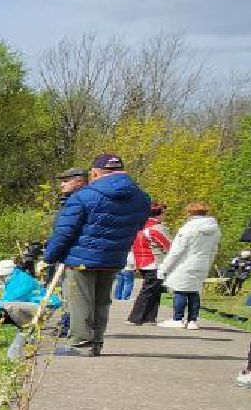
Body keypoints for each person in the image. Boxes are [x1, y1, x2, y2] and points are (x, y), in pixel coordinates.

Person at [42, 153, 151, 357]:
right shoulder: (141, 197)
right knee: (101, 302)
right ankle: (96, 342)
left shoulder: (84, 196)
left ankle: (81, 344)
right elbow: (139, 224)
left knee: (80, 301)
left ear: (94, 172)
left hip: (80, 257)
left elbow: (65, 231)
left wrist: (50, 256)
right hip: (113, 257)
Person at [157, 202, 222, 331]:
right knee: (194, 291)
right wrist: (208, 263)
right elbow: (214, 249)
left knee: (180, 290)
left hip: (185, 263)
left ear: (190, 213)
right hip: (202, 263)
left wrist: (164, 268)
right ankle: (192, 320)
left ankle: (177, 319)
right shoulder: (215, 229)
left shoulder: (188, 228)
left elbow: (177, 250)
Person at [125, 202, 173, 325]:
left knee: (155, 290)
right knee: (148, 290)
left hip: (141, 261)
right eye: (164, 214)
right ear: (159, 214)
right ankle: (135, 317)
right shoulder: (157, 228)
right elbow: (167, 245)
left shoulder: (140, 226)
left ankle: (149, 317)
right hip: (154, 262)